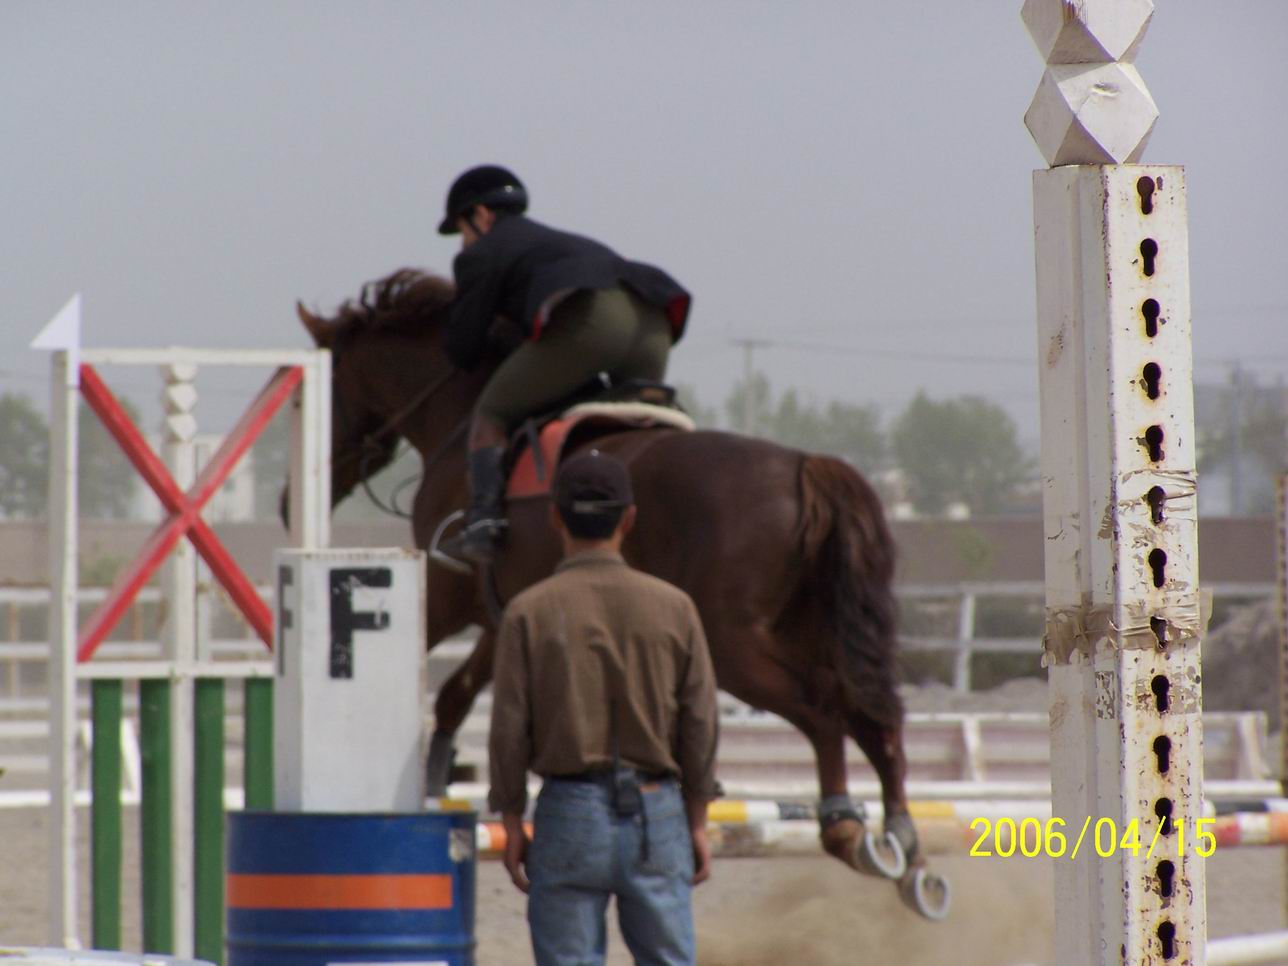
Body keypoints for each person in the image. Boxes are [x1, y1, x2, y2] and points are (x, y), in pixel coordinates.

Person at [487, 450, 720, 966]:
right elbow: (701, 720)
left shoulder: (528, 612)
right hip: (657, 812)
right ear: (629, 519)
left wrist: (510, 816)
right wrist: (697, 819)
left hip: (568, 812)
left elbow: (508, 729)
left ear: (555, 517)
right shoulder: (676, 607)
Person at [437, 164, 692, 565]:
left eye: (462, 230)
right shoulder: (553, 242)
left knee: (492, 411)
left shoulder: (483, 253)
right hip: (652, 322)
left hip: (596, 320)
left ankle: (483, 522)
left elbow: (464, 349)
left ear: (482, 215)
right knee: (633, 431)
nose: (463, 244)